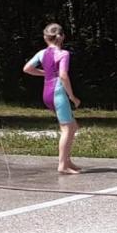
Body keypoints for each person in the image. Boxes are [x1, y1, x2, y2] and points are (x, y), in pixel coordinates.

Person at [23, 22, 82, 174]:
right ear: (62, 37)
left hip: (47, 93)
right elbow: (63, 75)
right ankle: (62, 165)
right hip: (58, 94)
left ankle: (68, 161)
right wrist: (72, 96)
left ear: (45, 37)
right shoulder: (63, 54)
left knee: (73, 126)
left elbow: (27, 69)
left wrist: (46, 73)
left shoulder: (42, 53)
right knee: (67, 129)